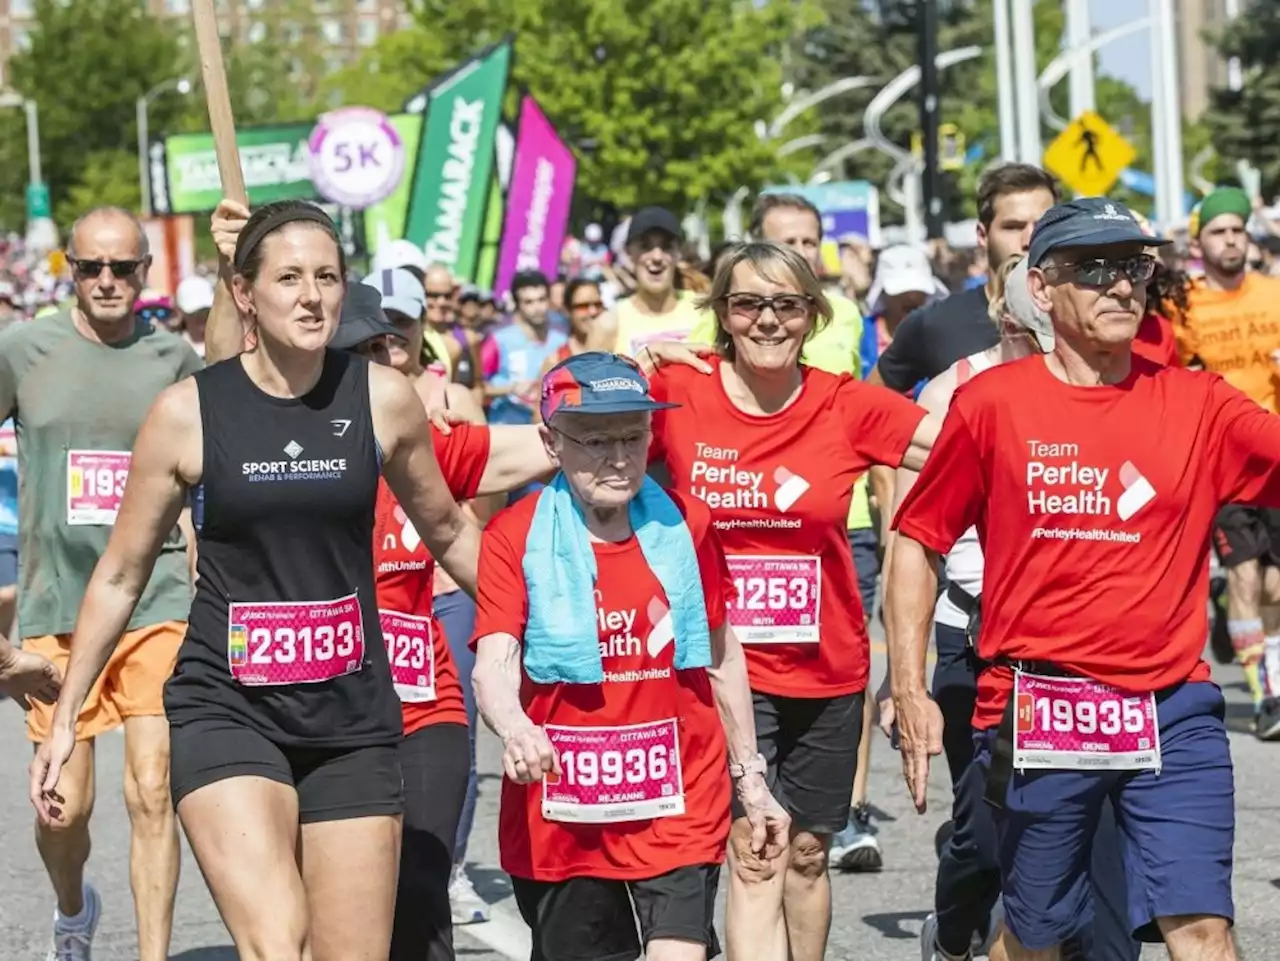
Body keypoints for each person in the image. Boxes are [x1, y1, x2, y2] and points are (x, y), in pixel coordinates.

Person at [30, 199, 485, 961]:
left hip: (352, 717)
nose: (312, 296)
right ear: (244, 292)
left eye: (328, 277)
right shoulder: (187, 413)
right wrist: (70, 708)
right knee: (277, 942)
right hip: (227, 707)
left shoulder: (381, 399)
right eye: (289, 278)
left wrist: (530, 630)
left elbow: (448, 530)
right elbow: (121, 572)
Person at [887, 197, 1272, 961]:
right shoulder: (992, 405)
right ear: (1041, 287)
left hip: (1173, 707)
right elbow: (917, 541)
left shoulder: (1198, 404)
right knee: (1038, 936)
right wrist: (908, 684)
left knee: (1202, 927)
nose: (1120, 285)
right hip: (1041, 706)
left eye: (1132, 266)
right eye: (1093, 268)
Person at [647, 241, 938, 961]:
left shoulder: (844, 403)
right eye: (748, 303)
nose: (767, 320)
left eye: (786, 304)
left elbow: (965, 447)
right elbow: (576, 432)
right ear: (722, 314)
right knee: (753, 844)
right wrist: (635, 361)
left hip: (825, 665)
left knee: (807, 850)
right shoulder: (682, 395)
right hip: (721, 667)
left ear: (811, 315)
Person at [471, 350, 790, 961]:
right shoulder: (514, 533)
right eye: (593, 440)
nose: (617, 458)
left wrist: (751, 780)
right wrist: (514, 727)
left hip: (678, 795)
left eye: (633, 436)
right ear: (551, 442)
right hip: (565, 810)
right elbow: (495, 659)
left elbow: (721, 656)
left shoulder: (688, 523)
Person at [330, 283, 555, 960]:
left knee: (422, 894)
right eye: (356, 351)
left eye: (385, 347)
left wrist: (631, 391)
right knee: (342, 904)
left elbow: (546, 445)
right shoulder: (286, 461)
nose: (376, 363)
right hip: (322, 710)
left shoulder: (423, 449)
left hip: (426, 700)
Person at [2, 206, 203, 961]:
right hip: (58, 603)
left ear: (147, 271)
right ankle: (72, 907)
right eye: (92, 267)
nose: (109, 281)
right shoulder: (23, 351)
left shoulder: (172, 359)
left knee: (152, 787)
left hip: (156, 600)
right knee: (64, 809)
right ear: (71, 271)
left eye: (125, 267)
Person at [1173, 186, 1280, 737]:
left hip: (1277, 456)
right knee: (1244, 575)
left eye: (1238, 229)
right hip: (1224, 464)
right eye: (1219, 231)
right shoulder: (1184, 305)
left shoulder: (1273, 294)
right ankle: (1269, 698)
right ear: (1201, 242)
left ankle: (1264, 664)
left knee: (1273, 588)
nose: (1232, 238)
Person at [869, 164, 1059, 391]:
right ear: (982, 235)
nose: (1030, 239)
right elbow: (865, 408)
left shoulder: (1081, 314)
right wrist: (926, 422)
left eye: (1044, 226)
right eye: (1013, 227)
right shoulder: (936, 323)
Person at [595, 208, 705, 357]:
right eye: (645, 246)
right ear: (628, 253)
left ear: (678, 252)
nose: (657, 257)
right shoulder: (609, 324)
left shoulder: (704, 310)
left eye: (666, 247)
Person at [486, 270, 568, 425]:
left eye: (541, 299)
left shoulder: (561, 340)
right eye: (528, 302)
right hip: (506, 427)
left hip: (547, 429)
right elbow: (477, 388)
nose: (537, 307)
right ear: (517, 304)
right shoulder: (498, 340)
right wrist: (511, 388)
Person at [175, 275, 215, 358]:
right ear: (180, 312)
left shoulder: (227, 345)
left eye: (206, 312)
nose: (202, 318)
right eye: (195, 314)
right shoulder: (174, 349)